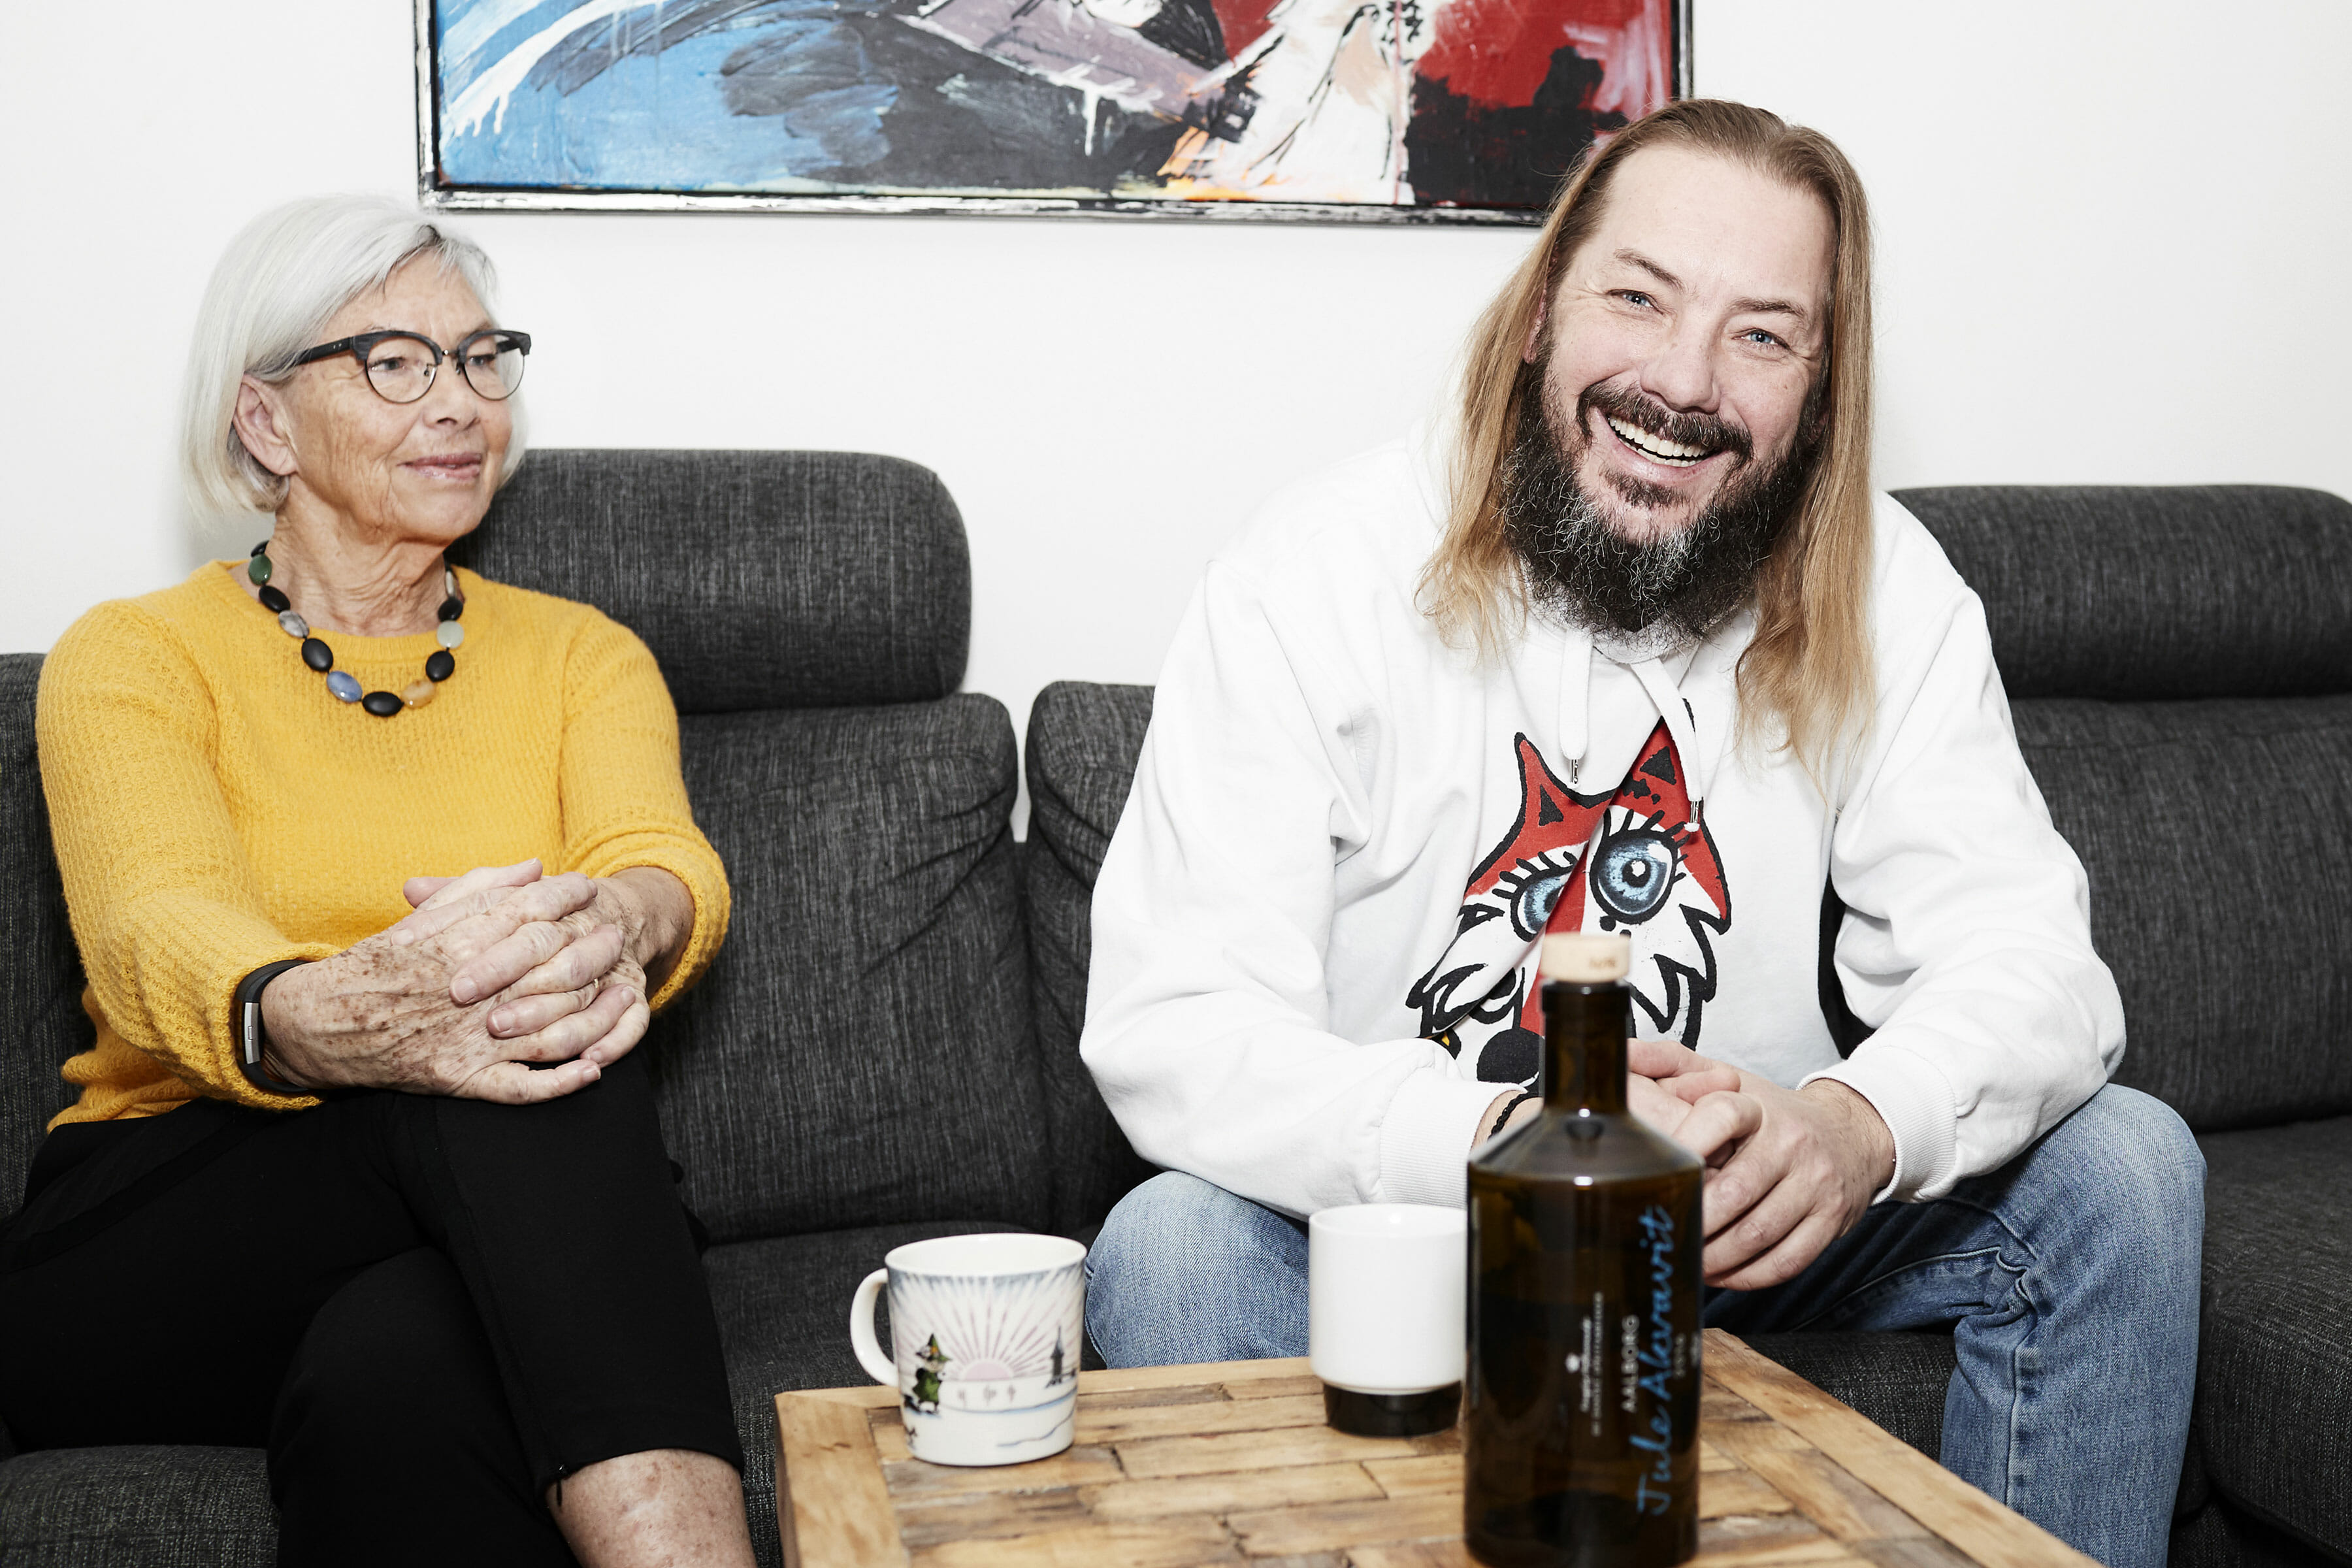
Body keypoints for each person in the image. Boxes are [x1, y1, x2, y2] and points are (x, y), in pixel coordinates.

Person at [1079, 100, 2202, 1568]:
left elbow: (2034, 961)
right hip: (1428, 1233)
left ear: (1819, 386)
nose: (1682, 384)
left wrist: (1856, 1128)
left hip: (1732, 1232)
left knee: (2128, 1168)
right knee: (1168, 1244)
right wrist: (1504, 1145)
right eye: (1639, 297)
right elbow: (1175, 1022)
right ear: (1544, 308)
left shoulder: (1891, 592)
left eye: (1762, 334)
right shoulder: (1315, 577)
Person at [0, 196, 758, 1567]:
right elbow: (149, 924)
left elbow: (660, 860)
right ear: (269, 422)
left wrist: (614, 922)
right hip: (166, 1230)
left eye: (482, 358)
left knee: (402, 1362)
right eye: (395, 362)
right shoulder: (131, 657)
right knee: (508, 1045)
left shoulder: (583, 655)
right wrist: (338, 1009)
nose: (459, 402)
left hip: (470, 1250)